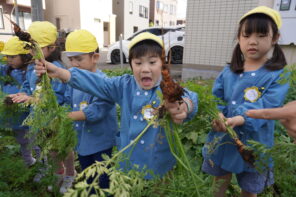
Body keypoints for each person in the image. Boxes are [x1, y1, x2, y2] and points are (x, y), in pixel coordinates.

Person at [34, 32, 198, 180]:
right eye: (138, 63)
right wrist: (62, 72)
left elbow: (190, 97)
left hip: (157, 161)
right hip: (127, 161)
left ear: (162, 64)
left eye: (152, 62)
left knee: (156, 189)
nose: (145, 69)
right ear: (131, 64)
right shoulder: (124, 85)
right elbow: (99, 83)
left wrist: (185, 106)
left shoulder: (168, 88)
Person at [201, 6, 289, 197]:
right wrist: (217, 114)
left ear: (275, 38)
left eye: (261, 35)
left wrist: (241, 118)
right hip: (223, 138)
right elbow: (215, 98)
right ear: (239, 38)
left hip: (255, 142)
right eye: (246, 35)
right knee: (219, 183)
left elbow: (269, 105)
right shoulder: (229, 71)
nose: (253, 41)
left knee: (250, 189)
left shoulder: (277, 75)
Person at [10, 21, 73, 190]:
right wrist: (23, 94)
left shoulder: (56, 70)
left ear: (51, 48)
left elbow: (56, 100)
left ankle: (70, 174)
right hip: (40, 120)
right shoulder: (33, 67)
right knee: (50, 150)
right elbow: (27, 85)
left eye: (36, 47)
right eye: (30, 47)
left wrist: (32, 100)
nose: (31, 51)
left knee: (64, 148)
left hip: (56, 120)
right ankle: (58, 173)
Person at [62, 29, 117, 193]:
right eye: (71, 60)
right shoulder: (73, 83)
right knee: (87, 174)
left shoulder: (105, 83)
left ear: (95, 58)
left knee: (103, 178)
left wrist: (65, 117)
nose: (74, 64)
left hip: (101, 142)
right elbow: (67, 100)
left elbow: (96, 111)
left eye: (79, 59)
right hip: (82, 140)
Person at [0, 36, 35, 167]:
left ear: (25, 56)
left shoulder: (30, 72)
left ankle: (44, 166)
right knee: (22, 141)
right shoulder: (5, 71)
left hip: (28, 116)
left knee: (35, 142)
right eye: (7, 56)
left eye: (13, 57)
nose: (9, 60)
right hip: (15, 117)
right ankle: (29, 162)